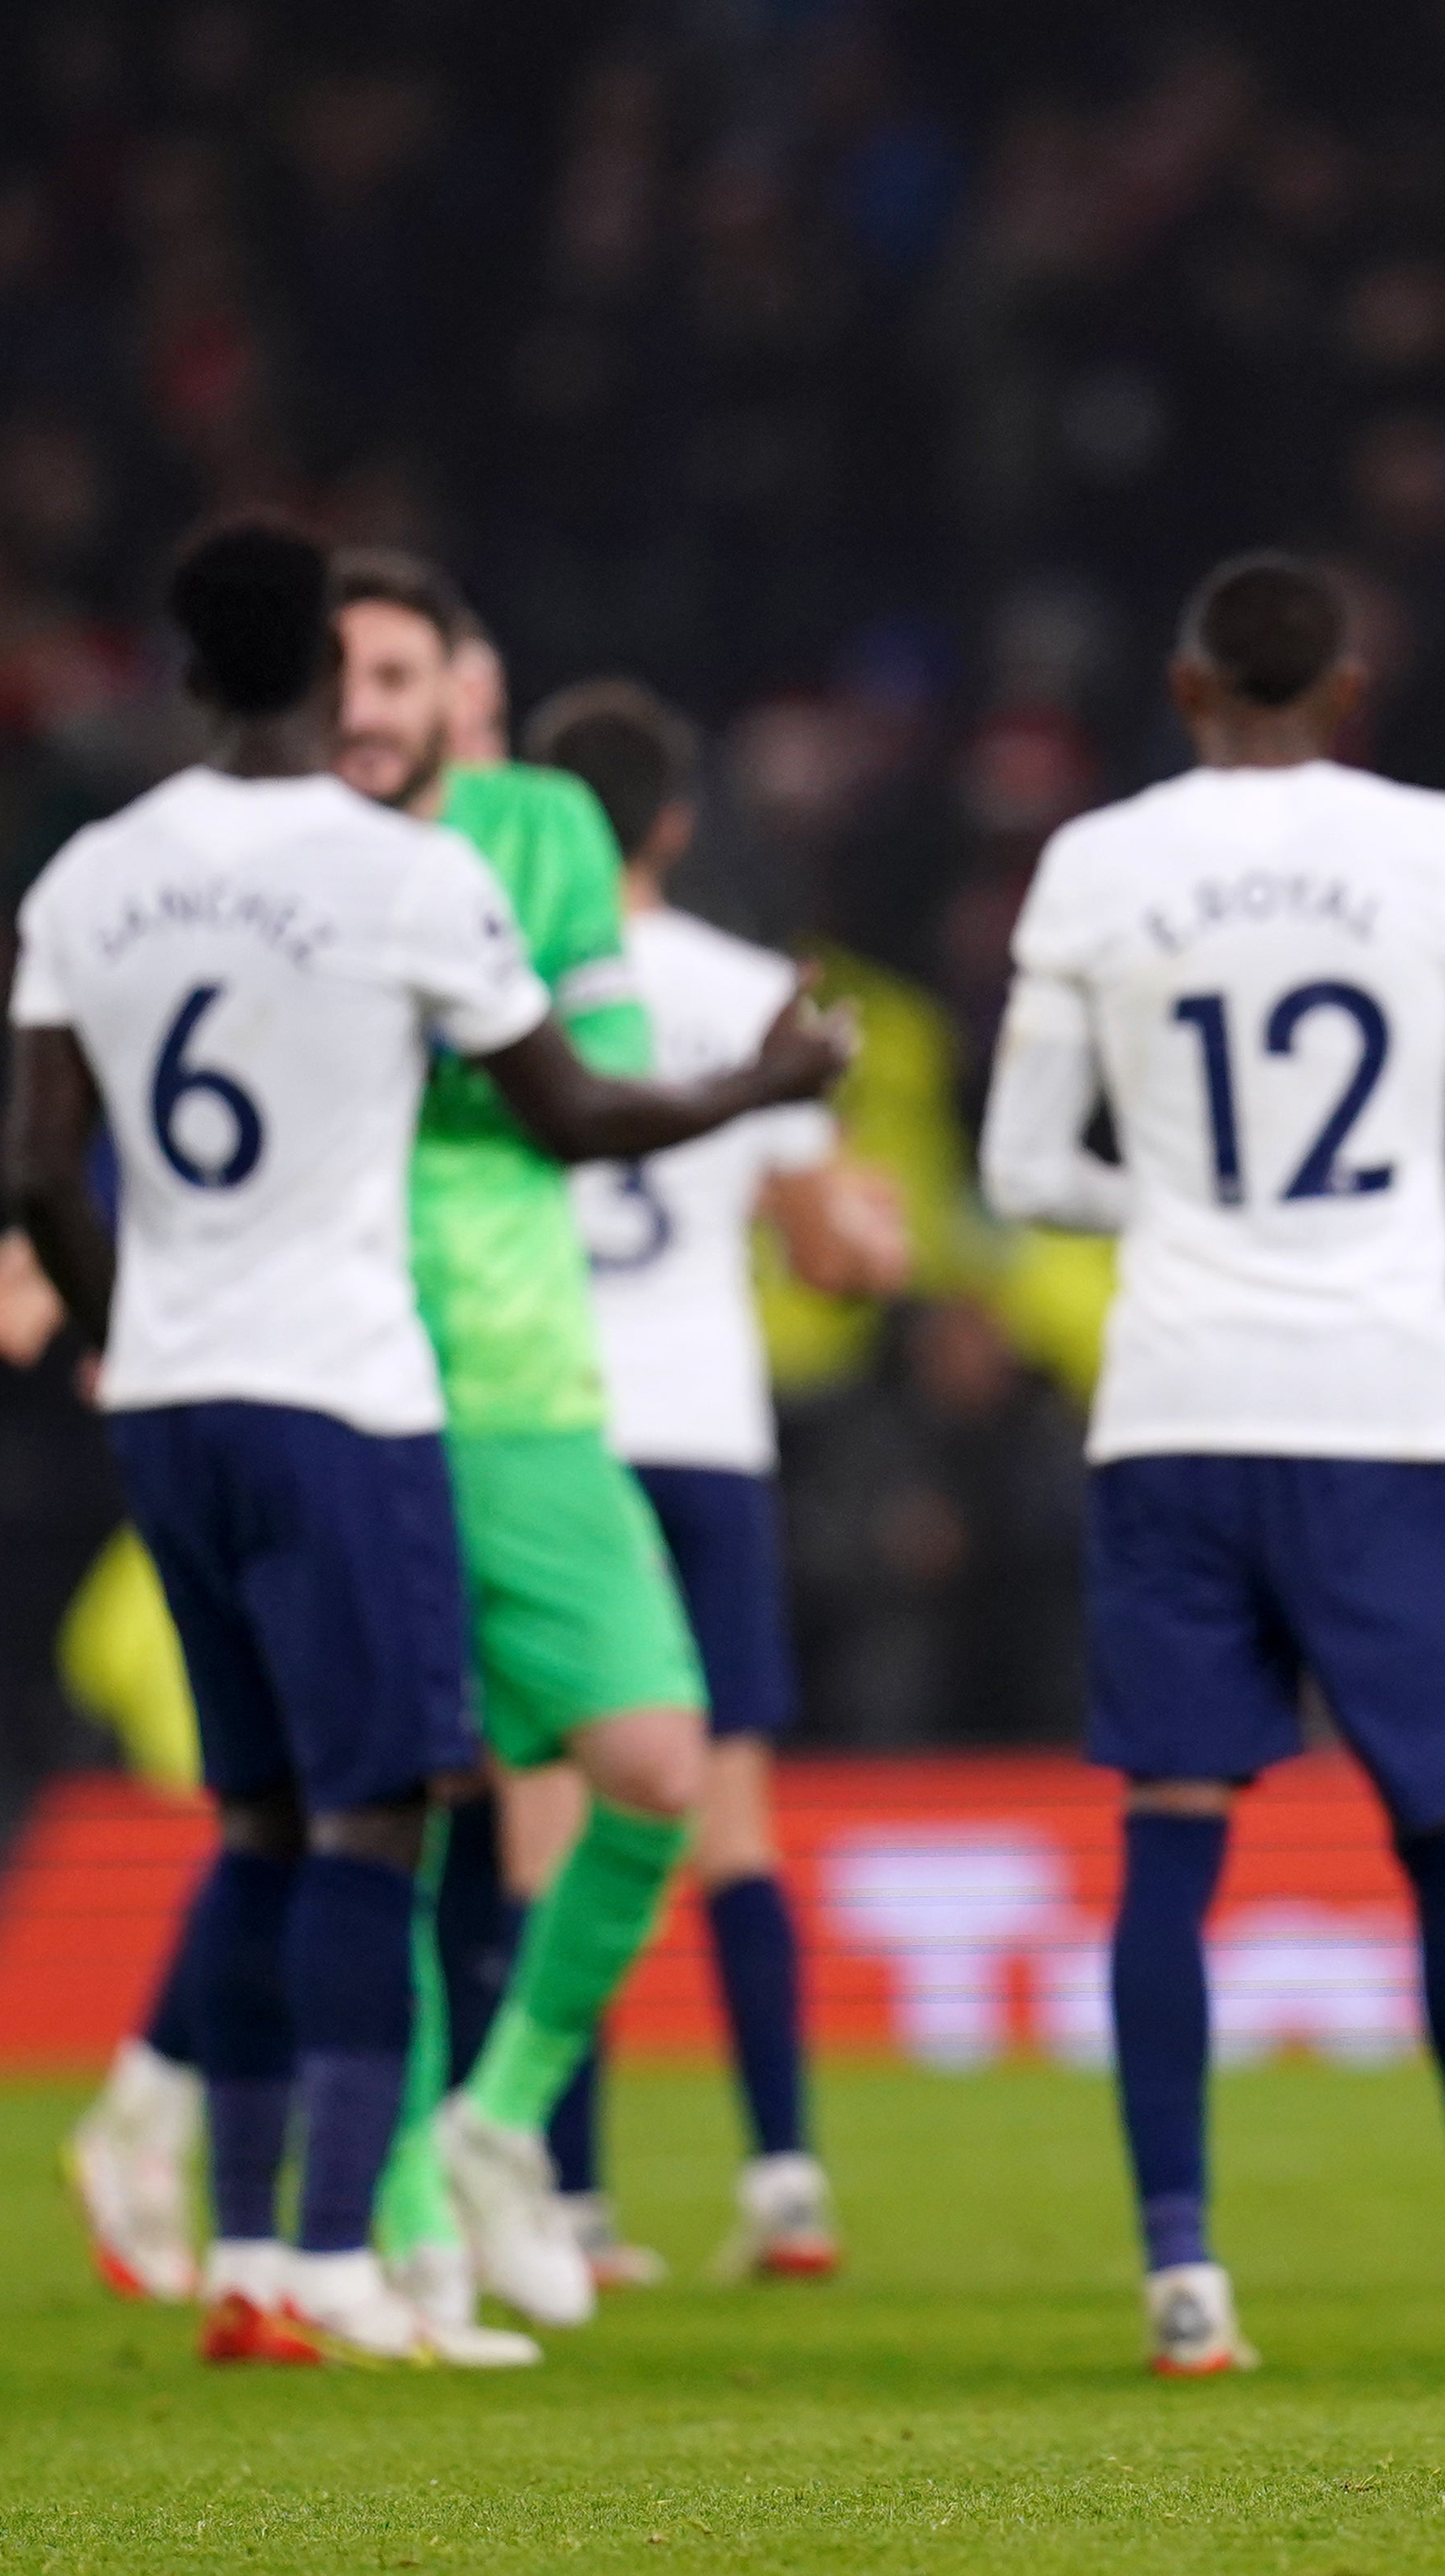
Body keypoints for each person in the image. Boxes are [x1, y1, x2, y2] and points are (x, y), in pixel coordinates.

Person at [7, 519, 847, 2367]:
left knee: (560, 1771)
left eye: (413, 678)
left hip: (444, 1381)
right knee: (375, 1812)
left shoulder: (152, 870)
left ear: (459, 692)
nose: (381, 708)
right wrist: (761, 1091)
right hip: (373, 1385)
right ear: (319, 682)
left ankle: (414, 2162)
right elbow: (565, 1104)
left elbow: (53, 1150)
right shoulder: (379, 882)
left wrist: (103, 1303)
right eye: (358, 675)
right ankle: (342, 2237)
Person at [981, 550, 1445, 2376]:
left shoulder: (1099, 863)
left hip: (1178, 1404)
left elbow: (1023, 1171)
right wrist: (1433, 1174)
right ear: (1345, 694)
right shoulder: (1428, 845)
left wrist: (1183, 1199)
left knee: (1169, 1841)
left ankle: (1180, 2274)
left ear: (1189, 691)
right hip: (1382, 1407)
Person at [532, 677, 912, 2279]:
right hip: (702, 1433)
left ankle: (564, 2195)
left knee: (549, 1824)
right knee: (730, 1818)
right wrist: (865, 1223)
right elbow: (836, 1255)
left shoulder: (492, 990)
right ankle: (780, 2174)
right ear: (674, 822)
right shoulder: (746, 990)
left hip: (545, 1433)